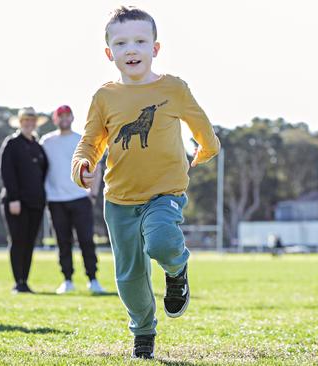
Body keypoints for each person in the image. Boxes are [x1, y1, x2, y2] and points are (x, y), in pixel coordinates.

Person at [71, 6, 221, 359]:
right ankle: (143, 331)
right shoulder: (104, 97)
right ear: (110, 53)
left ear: (155, 48)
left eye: (140, 41)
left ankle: (177, 270)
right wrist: (82, 164)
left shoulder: (174, 88)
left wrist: (206, 150)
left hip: (164, 192)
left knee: (163, 243)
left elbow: (203, 128)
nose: (131, 49)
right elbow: (91, 141)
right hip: (119, 200)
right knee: (129, 277)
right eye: (121, 43)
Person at [40, 105, 106, 295]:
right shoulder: (47, 142)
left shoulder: (81, 140)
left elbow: (96, 167)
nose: (64, 119)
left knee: (86, 240)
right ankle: (67, 279)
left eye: (67, 115)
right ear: (55, 119)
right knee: (63, 241)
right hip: (55, 200)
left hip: (80, 197)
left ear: (73, 117)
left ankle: (93, 279)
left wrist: (92, 194)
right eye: (61, 116)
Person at [0, 107, 49, 294]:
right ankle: (17, 282)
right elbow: (6, 172)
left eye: (32, 120)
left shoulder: (38, 146)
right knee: (18, 241)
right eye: (25, 120)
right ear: (20, 123)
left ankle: (25, 281)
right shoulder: (12, 144)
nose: (29, 123)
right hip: (16, 202)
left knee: (29, 243)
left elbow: (43, 174)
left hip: (36, 203)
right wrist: (13, 198)